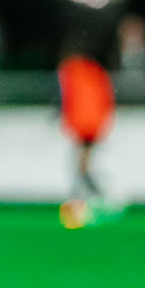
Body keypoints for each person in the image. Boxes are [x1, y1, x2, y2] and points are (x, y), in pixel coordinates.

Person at [59, 45, 115, 200]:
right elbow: (106, 95)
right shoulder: (95, 70)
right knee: (86, 155)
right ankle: (88, 185)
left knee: (82, 156)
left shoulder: (71, 71)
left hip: (81, 121)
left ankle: (85, 186)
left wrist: (66, 118)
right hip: (94, 120)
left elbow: (67, 97)